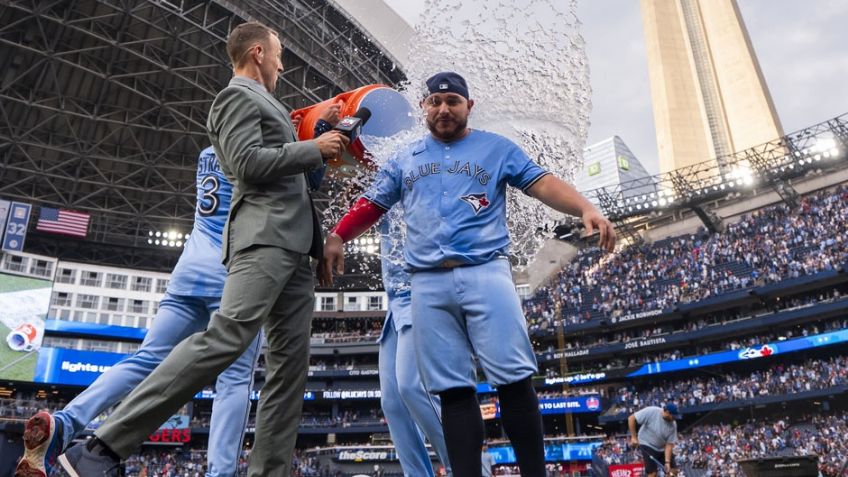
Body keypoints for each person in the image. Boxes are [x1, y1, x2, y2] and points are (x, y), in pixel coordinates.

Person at [58, 21, 349, 477]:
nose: (282, 63)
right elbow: (247, 164)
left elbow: (302, 177)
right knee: (225, 338)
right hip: (262, 239)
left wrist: (324, 140)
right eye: (278, 54)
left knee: (289, 373)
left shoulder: (275, 108)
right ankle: (100, 447)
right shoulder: (236, 97)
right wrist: (312, 146)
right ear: (257, 53)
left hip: (296, 249)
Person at [322, 71, 615, 477]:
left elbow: (541, 183)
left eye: (452, 101)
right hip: (426, 282)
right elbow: (373, 204)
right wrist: (339, 234)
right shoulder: (405, 157)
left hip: (485, 272)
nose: (443, 108)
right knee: (453, 392)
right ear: (424, 106)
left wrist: (585, 207)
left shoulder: (496, 148)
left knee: (513, 381)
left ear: (468, 106)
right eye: (435, 101)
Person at [14, 146, 260, 477]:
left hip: (188, 270)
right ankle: (220, 473)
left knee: (144, 360)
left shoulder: (205, 152)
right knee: (234, 379)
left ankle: (65, 422)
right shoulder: (256, 148)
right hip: (232, 270)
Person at [375, 208, 452, 476]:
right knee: (392, 402)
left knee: (411, 387)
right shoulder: (386, 177)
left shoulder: (423, 172)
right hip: (395, 300)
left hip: (422, 291)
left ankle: (466, 468)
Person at [628, 403, 680, 477]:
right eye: (673, 416)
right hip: (647, 443)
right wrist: (633, 437)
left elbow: (669, 445)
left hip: (662, 447)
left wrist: (667, 462)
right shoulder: (652, 411)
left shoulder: (673, 425)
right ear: (667, 412)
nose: (675, 419)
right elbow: (631, 418)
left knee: (673, 471)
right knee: (652, 473)